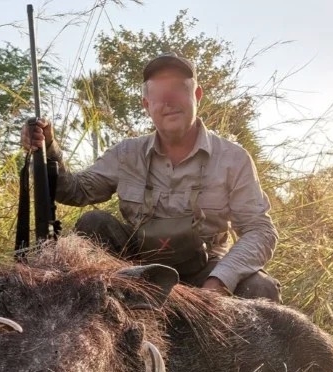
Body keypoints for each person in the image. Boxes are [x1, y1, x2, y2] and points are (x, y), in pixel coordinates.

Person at [21, 52, 281, 302]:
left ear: (197, 95)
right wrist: (48, 147)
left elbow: (260, 230)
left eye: (178, 88)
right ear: (146, 105)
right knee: (93, 223)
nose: (168, 100)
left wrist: (218, 284)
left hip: (206, 269)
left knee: (260, 288)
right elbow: (75, 191)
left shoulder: (233, 158)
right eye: (158, 93)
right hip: (135, 266)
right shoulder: (127, 153)